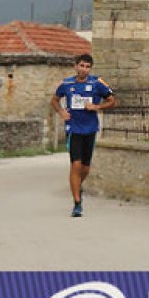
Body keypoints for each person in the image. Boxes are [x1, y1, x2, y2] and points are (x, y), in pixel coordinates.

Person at [50, 53, 116, 217]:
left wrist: (96, 107)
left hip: (90, 129)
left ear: (90, 69)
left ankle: (77, 186)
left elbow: (112, 101)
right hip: (73, 129)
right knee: (76, 164)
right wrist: (61, 112)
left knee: (85, 167)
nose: (84, 69)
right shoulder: (66, 84)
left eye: (87, 67)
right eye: (81, 66)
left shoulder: (97, 83)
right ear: (76, 66)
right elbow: (54, 100)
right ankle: (77, 203)